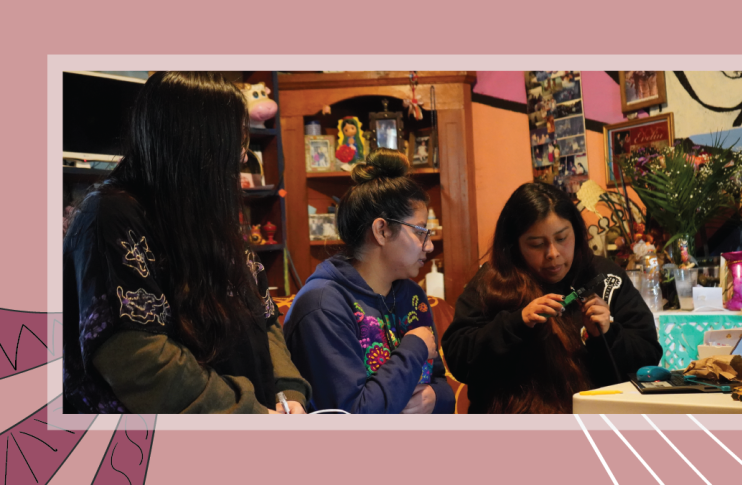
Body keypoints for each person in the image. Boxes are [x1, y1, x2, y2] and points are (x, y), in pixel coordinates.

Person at [63, 72, 311, 414]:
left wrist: (288, 392)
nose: (242, 157)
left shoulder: (207, 213)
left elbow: (262, 317)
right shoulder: (111, 215)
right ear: (196, 144)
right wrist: (249, 412)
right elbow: (138, 358)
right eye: (234, 142)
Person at [441, 183, 661, 413]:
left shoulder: (605, 277)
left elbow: (647, 360)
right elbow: (459, 359)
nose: (553, 254)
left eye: (562, 238)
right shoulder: (491, 283)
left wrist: (607, 334)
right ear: (514, 244)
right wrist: (517, 322)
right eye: (536, 244)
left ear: (577, 232)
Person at [283, 149, 455, 414]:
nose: (429, 246)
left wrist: (433, 398)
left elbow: (442, 386)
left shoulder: (411, 295)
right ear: (382, 230)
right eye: (421, 232)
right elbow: (352, 415)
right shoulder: (322, 306)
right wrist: (414, 348)